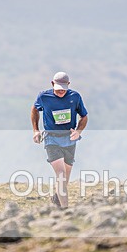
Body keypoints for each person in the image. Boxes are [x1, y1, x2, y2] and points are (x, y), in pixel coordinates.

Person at [31, 71, 88, 208]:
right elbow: (34, 110)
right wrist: (36, 130)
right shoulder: (44, 96)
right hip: (51, 138)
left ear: (68, 85)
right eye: (58, 89)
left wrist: (78, 131)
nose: (61, 92)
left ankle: (57, 198)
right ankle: (65, 209)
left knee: (65, 178)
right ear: (52, 84)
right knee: (61, 174)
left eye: (64, 89)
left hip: (69, 139)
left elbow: (84, 116)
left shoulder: (75, 96)